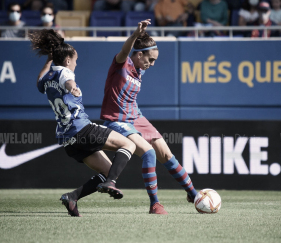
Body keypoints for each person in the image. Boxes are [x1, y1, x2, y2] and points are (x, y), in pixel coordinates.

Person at [29, 29, 136, 217]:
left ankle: (73, 197)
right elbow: (68, 81)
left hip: (68, 141)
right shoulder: (64, 72)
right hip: (82, 130)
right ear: (68, 60)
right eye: (75, 60)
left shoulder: (47, 79)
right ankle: (110, 183)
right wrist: (74, 89)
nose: (76, 64)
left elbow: (39, 80)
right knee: (128, 144)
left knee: (109, 170)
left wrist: (49, 59)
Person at [100, 19, 198, 215]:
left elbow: (141, 58)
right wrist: (136, 34)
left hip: (136, 117)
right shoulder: (121, 64)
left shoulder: (139, 70)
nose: (151, 64)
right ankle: (155, 203)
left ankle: (194, 194)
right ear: (138, 54)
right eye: (150, 59)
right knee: (149, 153)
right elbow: (126, 50)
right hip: (117, 119)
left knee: (167, 155)